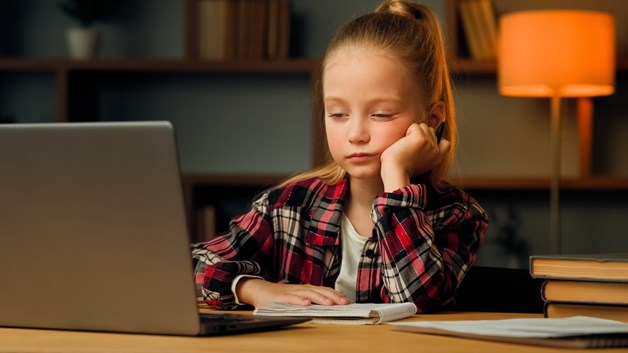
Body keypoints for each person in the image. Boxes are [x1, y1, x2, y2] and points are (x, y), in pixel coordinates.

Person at [192, 0, 488, 313]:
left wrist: (396, 175)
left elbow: (419, 301)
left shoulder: (459, 215)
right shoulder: (287, 207)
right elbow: (196, 266)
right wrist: (252, 288)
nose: (356, 133)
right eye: (338, 113)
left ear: (431, 120)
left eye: (381, 114)